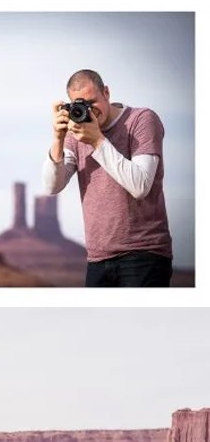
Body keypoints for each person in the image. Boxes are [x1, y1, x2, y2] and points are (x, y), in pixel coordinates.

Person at [42, 69, 172, 287]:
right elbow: (52, 186)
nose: (89, 110)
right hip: (97, 259)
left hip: (143, 255)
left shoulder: (141, 120)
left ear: (107, 92)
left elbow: (140, 185)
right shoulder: (76, 132)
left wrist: (97, 141)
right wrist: (58, 139)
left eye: (93, 101)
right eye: (80, 105)